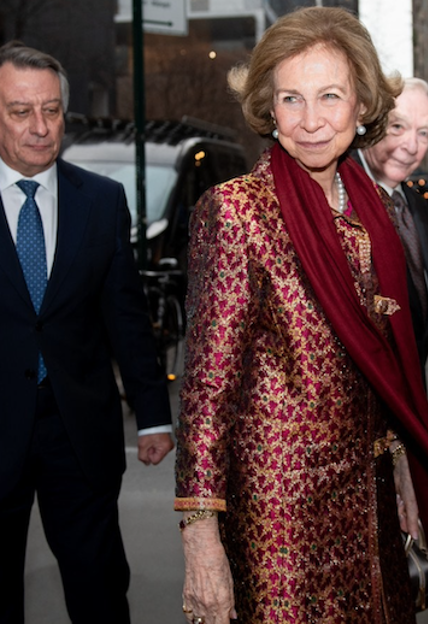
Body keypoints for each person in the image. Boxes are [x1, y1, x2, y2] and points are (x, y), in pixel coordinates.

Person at [175, 7, 428, 624]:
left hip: (369, 498)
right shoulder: (236, 211)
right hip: (279, 518)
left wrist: (402, 466)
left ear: (363, 104)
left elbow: (385, 366)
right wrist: (199, 539)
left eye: (330, 96)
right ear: (268, 107)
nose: (312, 121)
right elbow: (206, 390)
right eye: (291, 98)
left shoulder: (372, 208)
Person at [0, 41, 174, 624]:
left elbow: (124, 314)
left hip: (78, 430)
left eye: (51, 110)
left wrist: (152, 413)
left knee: (98, 590)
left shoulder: (101, 201)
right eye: (20, 111)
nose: (40, 127)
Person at [354, 77, 428, 377]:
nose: (412, 146)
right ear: (371, 123)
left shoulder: (416, 207)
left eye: (424, 132)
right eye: (398, 127)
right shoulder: (337, 199)